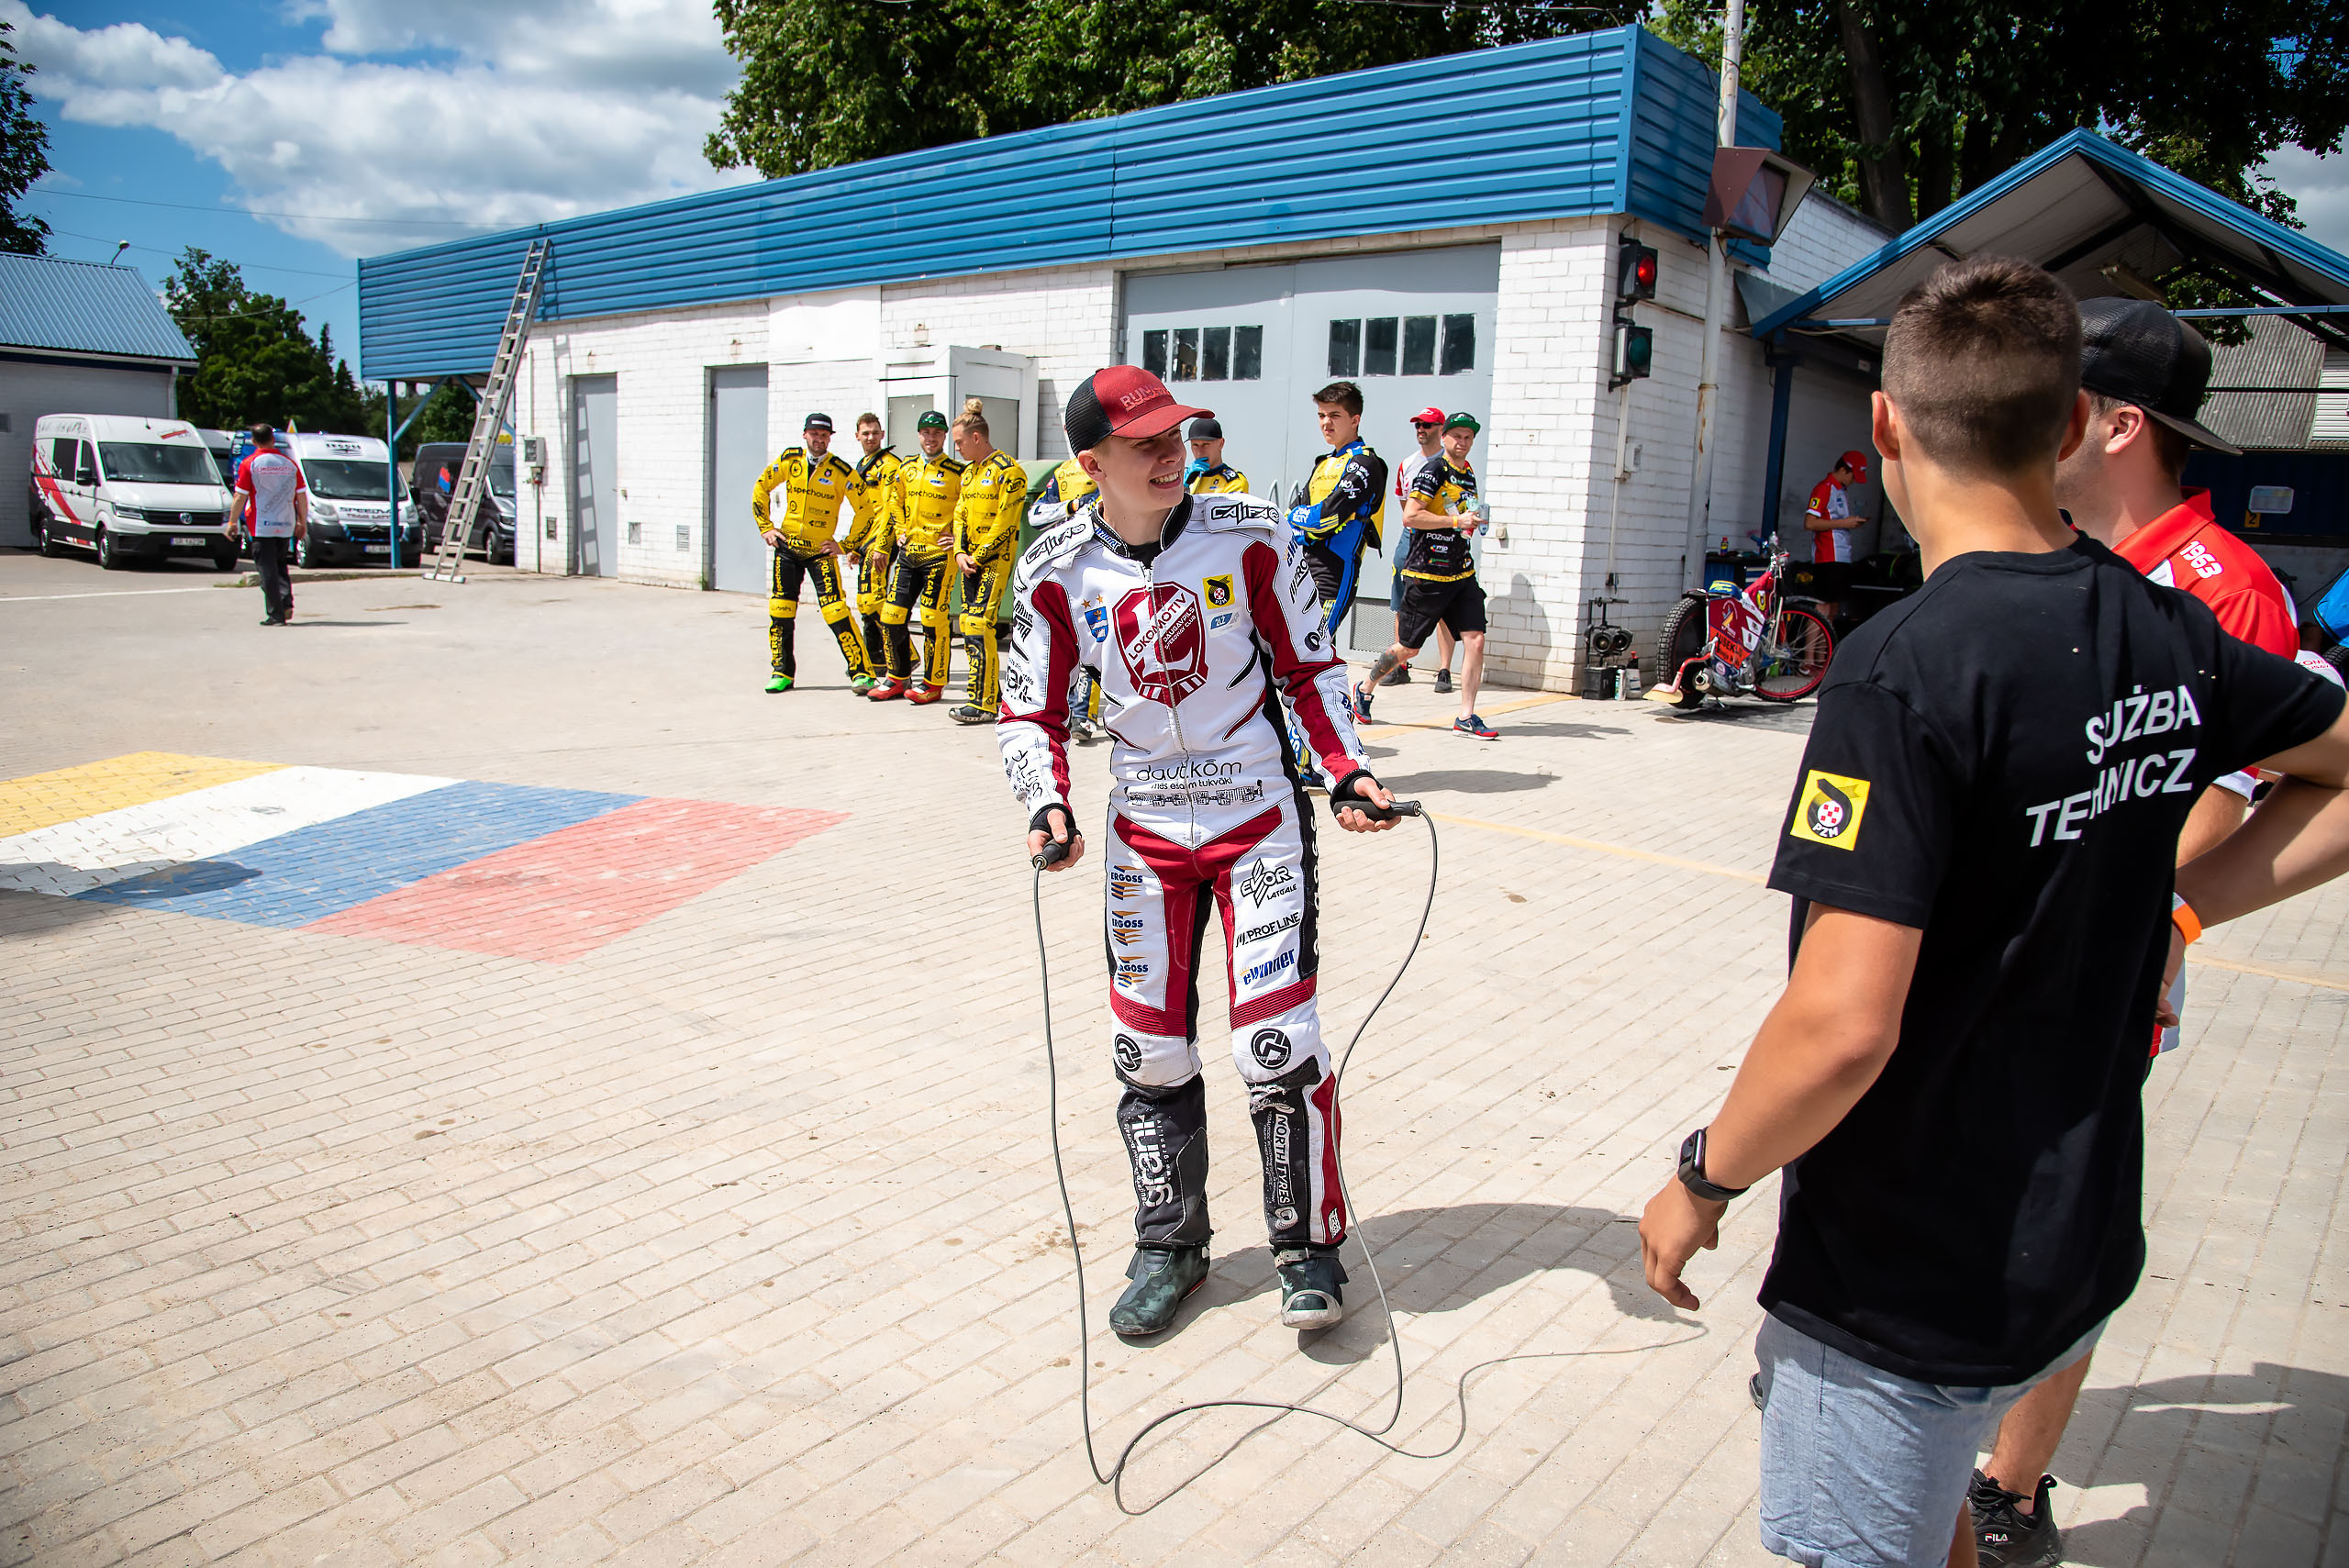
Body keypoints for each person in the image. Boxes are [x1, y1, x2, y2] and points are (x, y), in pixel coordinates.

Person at [1633, 256, 2349, 1568]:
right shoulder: (2163, 629)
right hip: (2074, 1239)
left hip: (1904, 1280)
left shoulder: (1901, 670)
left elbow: (1844, 1022)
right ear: (2073, 424)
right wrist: (2182, 899)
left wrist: (1702, 1176)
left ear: (1888, 428)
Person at [1963, 295, 2298, 1566]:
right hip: (2006, 968)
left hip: (2097, 979)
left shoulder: (2223, 589)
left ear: (2114, 422)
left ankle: (2014, 1487)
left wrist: (2168, 902)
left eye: (2054, 396)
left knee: (2054, 1217)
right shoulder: (2066, 558)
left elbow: (2250, 786)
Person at [999, 365, 1404, 1337]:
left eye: (1175, 433)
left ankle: (1305, 1245)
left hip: (1257, 817)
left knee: (1276, 1042)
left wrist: (1346, 769)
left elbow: (1311, 668)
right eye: (1145, 442)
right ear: (1091, 462)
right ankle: (1169, 1244)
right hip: (1142, 833)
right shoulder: (1051, 566)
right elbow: (1026, 708)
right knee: (1147, 1050)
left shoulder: (1251, 532)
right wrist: (1044, 803)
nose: (1170, 451)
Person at [1354, 414, 1495, 738]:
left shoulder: (1467, 473)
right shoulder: (1432, 471)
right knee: (1409, 648)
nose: (1462, 442)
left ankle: (1466, 715)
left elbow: (1462, 510)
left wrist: (1472, 521)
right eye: (1456, 436)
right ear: (1444, 438)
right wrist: (1455, 523)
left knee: (1476, 639)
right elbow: (1411, 515)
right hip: (1427, 572)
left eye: (1468, 438)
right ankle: (1365, 687)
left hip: (1461, 572)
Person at [1284, 382, 1387, 787]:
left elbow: (1324, 517)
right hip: (1300, 570)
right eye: (1321, 416)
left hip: (1334, 574)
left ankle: (1315, 761)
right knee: (1297, 662)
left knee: (1315, 664)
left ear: (1355, 419)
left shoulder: (1365, 465)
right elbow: (1298, 514)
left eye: (1335, 416)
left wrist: (1304, 518)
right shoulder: (1325, 462)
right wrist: (1304, 518)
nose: (1326, 423)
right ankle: (1303, 757)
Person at [753, 413, 871, 693]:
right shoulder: (790, 460)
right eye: (813, 434)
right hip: (788, 547)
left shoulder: (842, 471)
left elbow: (867, 509)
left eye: (824, 435)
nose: (818, 439)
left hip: (821, 551)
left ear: (830, 438)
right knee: (781, 611)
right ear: (805, 435)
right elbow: (761, 487)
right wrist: (765, 527)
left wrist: (846, 545)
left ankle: (861, 672)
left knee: (836, 611)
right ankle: (781, 672)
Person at [869, 412, 963, 704]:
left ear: (945, 436)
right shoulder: (906, 468)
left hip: (939, 556)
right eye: (926, 432)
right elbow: (893, 501)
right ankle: (898, 677)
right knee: (891, 615)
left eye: (937, 432)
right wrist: (899, 529)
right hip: (910, 553)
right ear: (919, 435)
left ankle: (933, 684)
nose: (931, 437)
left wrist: (957, 539)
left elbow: (966, 509)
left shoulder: (957, 471)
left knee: (933, 620)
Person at [948, 399, 1028, 725]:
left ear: (977, 437)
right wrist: (959, 552)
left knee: (980, 625)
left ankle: (983, 704)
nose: (957, 449)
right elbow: (959, 515)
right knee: (968, 625)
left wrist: (977, 556)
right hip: (968, 560)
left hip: (995, 561)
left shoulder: (1010, 471)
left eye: (960, 443)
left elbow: (1006, 523)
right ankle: (986, 696)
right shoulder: (968, 473)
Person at [1030, 454, 1108, 745]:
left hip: (1100, 566)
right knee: (1064, 645)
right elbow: (1035, 515)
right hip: (1064, 567)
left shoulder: (1111, 464)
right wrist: (1072, 507)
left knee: (1095, 640)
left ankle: (1084, 717)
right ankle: (1056, 713)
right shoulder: (1062, 472)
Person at [1388, 406, 1449, 689]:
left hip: (1441, 543)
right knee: (1402, 599)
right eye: (1417, 425)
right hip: (1410, 538)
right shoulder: (1407, 464)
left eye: (1426, 425)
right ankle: (1400, 666)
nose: (1421, 430)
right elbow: (1406, 507)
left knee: (1444, 602)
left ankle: (1445, 670)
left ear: (1441, 429)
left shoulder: (1451, 465)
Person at [843, 413, 905, 688]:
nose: (870, 437)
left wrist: (881, 546)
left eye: (875, 433)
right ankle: (876, 660)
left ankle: (899, 659)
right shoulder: (863, 465)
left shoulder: (889, 465)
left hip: (882, 542)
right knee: (867, 602)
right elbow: (865, 512)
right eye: (865, 433)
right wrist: (856, 545)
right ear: (857, 436)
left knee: (876, 602)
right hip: (867, 542)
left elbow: (892, 509)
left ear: (882, 435)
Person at [231, 424, 306, 627]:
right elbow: (301, 496)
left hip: (261, 525)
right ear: (273, 440)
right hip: (285, 524)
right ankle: (286, 603)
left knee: (267, 570)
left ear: (254, 442)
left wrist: (232, 521)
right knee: (281, 566)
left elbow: (240, 496)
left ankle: (276, 614)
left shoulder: (250, 464)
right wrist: (302, 521)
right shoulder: (290, 464)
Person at [1802, 450, 1869, 623]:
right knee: (1822, 608)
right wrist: (1844, 523)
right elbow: (1810, 523)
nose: (1853, 481)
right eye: (1853, 476)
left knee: (1833, 608)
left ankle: (1826, 650)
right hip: (1827, 556)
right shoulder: (1824, 488)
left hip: (1842, 556)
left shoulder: (1842, 490)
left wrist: (1850, 523)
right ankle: (1811, 651)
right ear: (1843, 470)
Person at [1184, 417, 1248, 494]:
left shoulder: (1233, 481)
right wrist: (1183, 488)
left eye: (1206, 444)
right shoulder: (1188, 479)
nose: (1200, 451)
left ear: (1221, 444)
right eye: (1195, 445)